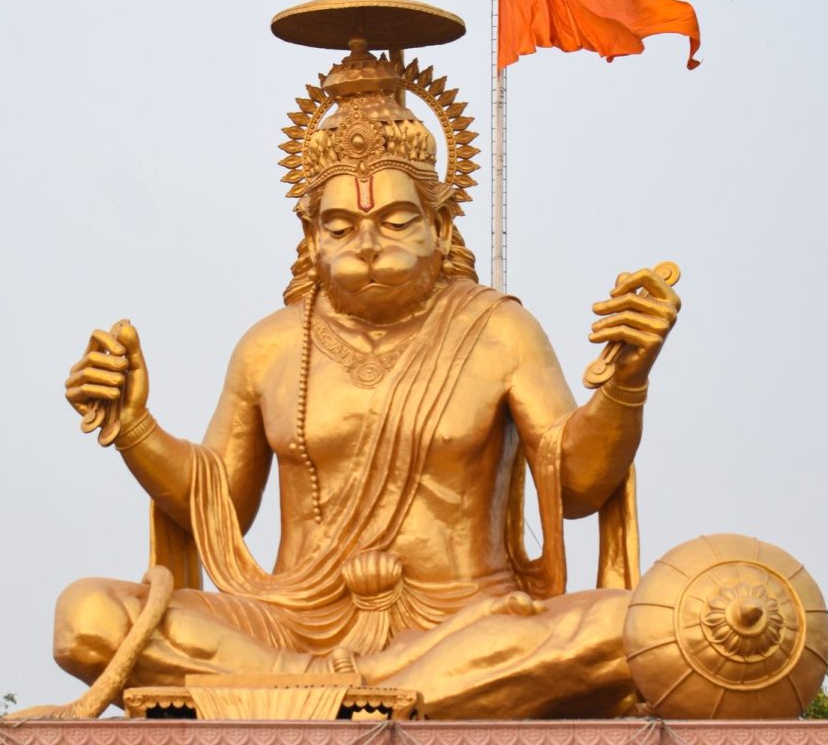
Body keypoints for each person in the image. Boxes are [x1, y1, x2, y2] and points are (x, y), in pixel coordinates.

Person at [54, 47, 679, 719]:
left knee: (632, 626)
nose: (369, 243)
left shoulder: (498, 332)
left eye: (397, 221)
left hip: (467, 623)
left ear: (441, 225)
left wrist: (625, 382)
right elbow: (220, 505)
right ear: (311, 234)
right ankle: (338, 691)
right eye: (342, 226)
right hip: (289, 627)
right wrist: (134, 426)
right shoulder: (270, 346)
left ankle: (308, 696)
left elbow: (578, 483)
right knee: (86, 616)